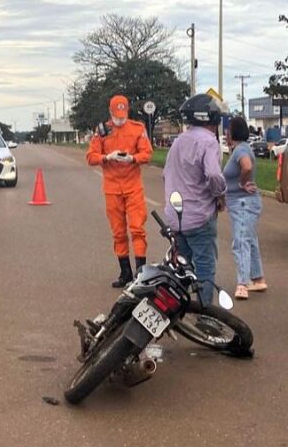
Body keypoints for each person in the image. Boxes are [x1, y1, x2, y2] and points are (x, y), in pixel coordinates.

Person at [163, 93, 228, 306]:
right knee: (204, 269)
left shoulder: (179, 141)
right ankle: (204, 316)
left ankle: (176, 312)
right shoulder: (208, 142)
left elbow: (167, 175)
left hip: (176, 218)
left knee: (182, 268)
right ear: (214, 119)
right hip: (199, 217)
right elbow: (214, 175)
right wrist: (219, 195)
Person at [86, 95, 153, 287]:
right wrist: (107, 157)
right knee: (118, 232)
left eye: (123, 116)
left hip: (133, 188)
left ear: (128, 111)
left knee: (138, 230)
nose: (120, 120)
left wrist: (132, 159)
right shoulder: (102, 131)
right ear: (110, 112)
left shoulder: (138, 128)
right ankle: (125, 273)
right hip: (112, 189)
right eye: (117, 116)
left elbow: (147, 153)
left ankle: (141, 275)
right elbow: (91, 157)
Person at [224, 116, 267, 299]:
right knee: (250, 240)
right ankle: (258, 279)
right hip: (242, 203)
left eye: (228, 130)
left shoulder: (240, 149)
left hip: (243, 203)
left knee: (240, 242)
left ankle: (243, 283)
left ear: (233, 132)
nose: (226, 133)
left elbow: (247, 167)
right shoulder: (240, 149)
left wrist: (242, 182)